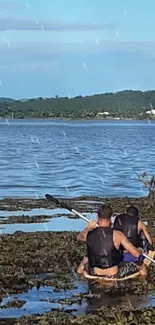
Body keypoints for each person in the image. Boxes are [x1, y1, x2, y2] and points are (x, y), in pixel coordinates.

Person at [77, 204, 146, 279]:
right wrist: (140, 250)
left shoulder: (89, 233)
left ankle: (79, 276)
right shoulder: (118, 235)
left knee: (85, 259)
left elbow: (79, 237)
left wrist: (88, 227)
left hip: (94, 272)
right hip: (114, 274)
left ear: (97, 217)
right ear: (110, 218)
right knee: (141, 265)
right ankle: (143, 281)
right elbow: (136, 254)